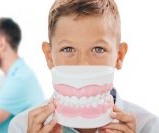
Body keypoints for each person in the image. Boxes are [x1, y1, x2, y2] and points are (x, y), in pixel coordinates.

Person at [9, 0, 159, 132]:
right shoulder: (22, 127)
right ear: (49, 56)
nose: (82, 64)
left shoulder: (148, 127)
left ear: (119, 56)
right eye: (68, 49)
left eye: (98, 49)